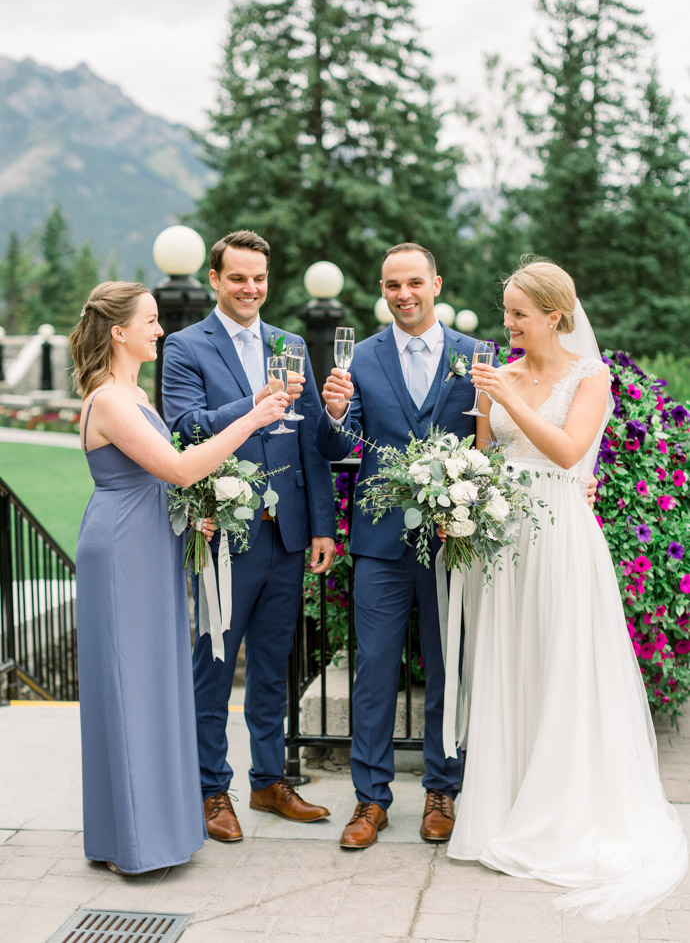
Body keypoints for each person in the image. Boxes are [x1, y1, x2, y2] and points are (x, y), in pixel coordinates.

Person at [444, 258, 687, 921]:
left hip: (560, 537)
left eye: (520, 312)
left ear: (556, 315)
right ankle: (505, 802)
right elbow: (488, 460)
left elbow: (567, 448)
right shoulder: (501, 377)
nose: (509, 324)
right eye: (505, 311)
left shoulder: (591, 376)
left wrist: (508, 396)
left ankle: (565, 807)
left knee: (559, 662)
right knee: (510, 662)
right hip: (505, 538)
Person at [70, 281, 289, 875]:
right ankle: (134, 843)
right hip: (121, 551)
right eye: (150, 321)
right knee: (129, 686)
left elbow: (162, 481)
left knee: (152, 684)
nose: (159, 330)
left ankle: (140, 830)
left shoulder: (130, 391)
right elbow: (179, 466)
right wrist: (256, 412)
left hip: (149, 542)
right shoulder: (111, 399)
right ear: (119, 332)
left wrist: (194, 515)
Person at [162, 229, 335, 843]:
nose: (250, 288)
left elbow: (313, 440)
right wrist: (253, 404)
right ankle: (211, 789)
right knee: (212, 668)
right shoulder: (185, 346)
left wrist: (322, 527)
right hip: (222, 537)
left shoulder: (288, 343)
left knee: (270, 666)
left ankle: (268, 783)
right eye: (238, 277)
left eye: (259, 278)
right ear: (215, 280)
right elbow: (183, 428)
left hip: (286, 536)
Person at [316, 242, 480, 848]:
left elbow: (492, 439)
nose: (404, 294)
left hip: (451, 543)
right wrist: (334, 416)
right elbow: (340, 450)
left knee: (447, 669)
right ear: (381, 291)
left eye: (414, 282)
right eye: (392, 286)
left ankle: (443, 788)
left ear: (436, 283)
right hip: (381, 546)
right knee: (375, 671)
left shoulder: (476, 355)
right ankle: (370, 800)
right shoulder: (358, 358)